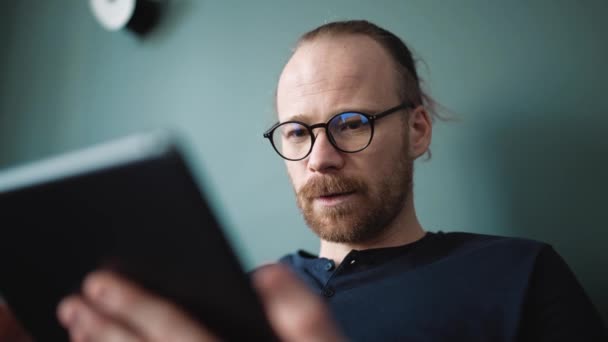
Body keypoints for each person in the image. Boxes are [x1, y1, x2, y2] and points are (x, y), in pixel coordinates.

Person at [2, 20, 607, 341]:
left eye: (349, 124)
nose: (320, 159)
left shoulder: (521, 277)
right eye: (296, 132)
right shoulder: (224, 303)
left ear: (417, 130)